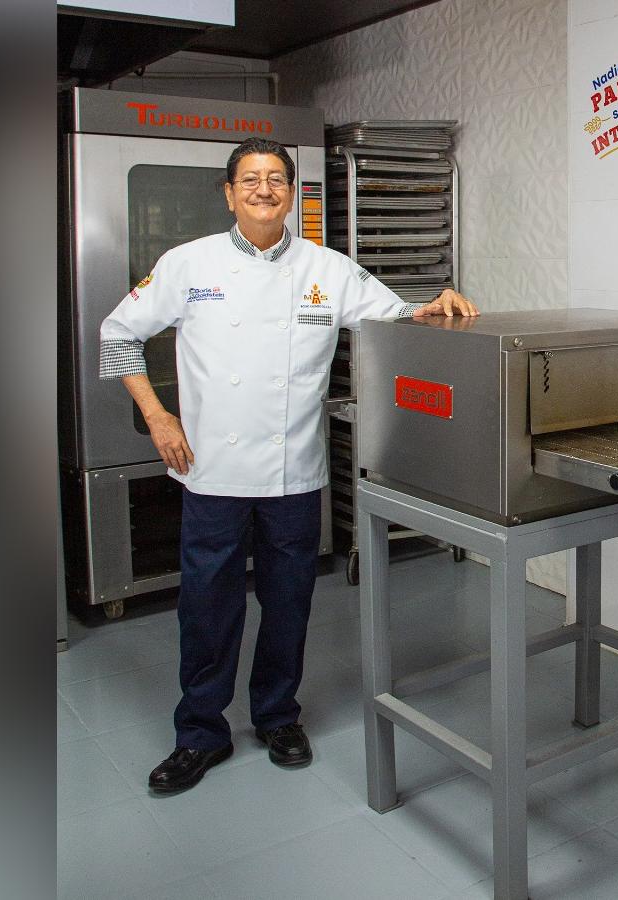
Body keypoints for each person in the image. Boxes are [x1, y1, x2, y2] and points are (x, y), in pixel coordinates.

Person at [99, 137, 479, 795]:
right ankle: (200, 733)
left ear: (292, 193)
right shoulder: (189, 264)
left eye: (276, 178)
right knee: (207, 607)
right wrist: (159, 417)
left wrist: (436, 304)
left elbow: (398, 320)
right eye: (250, 179)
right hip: (212, 469)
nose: (264, 189)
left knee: (289, 601)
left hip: (294, 471)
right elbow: (117, 333)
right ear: (229, 193)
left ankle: (277, 716)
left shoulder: (327, 268)